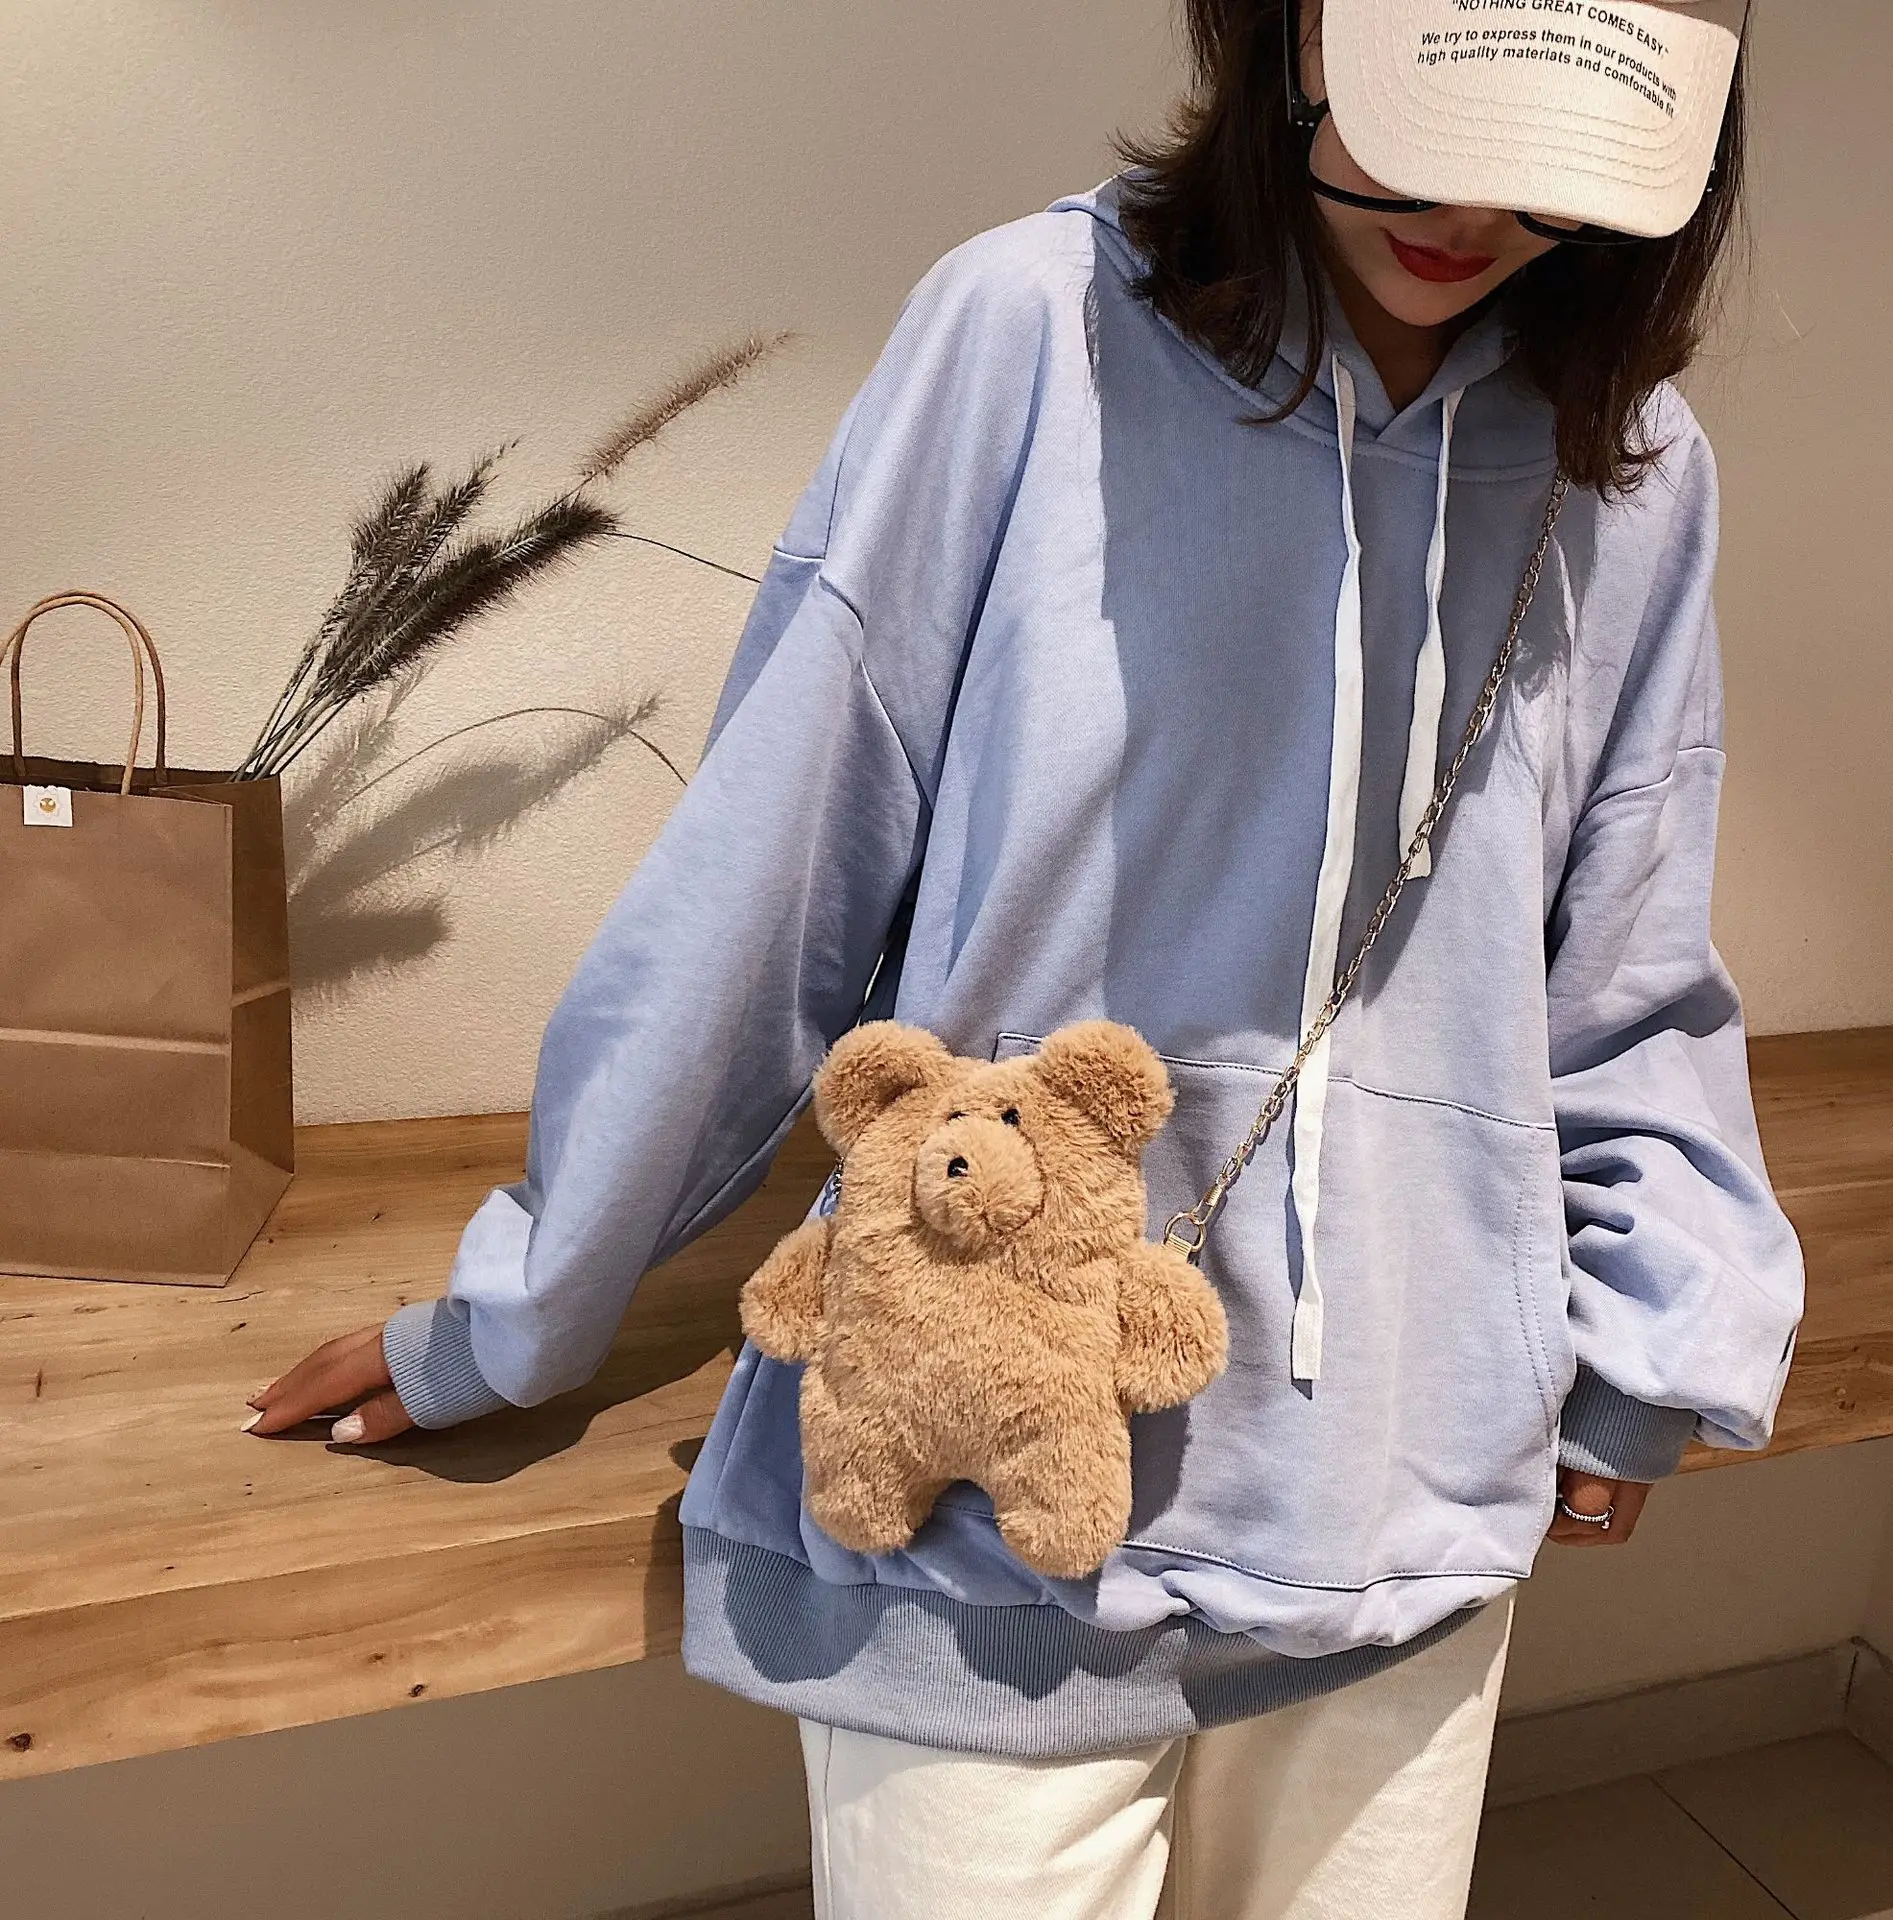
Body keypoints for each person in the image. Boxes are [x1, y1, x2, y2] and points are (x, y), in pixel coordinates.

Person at [252, 0, 1802, 1912]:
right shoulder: (1031, 332)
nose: (1475, 210)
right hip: (980, 1496)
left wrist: (1654, 1329)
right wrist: (521, 1313)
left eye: (1556, 155)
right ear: (1284, 27)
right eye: (1428, 119)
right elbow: (776, 867)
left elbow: (1627, 953)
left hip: (1405, 1491)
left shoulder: (1626, 463)